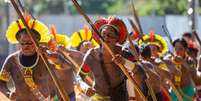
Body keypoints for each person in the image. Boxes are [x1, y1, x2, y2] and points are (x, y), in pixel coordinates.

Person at [0, 19, 56, 101]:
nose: (26, 46)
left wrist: (49, 54)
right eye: (22, 43)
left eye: (30, 43)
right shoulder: (12, 60)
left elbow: (62, 68)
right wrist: (8, 94)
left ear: (37, 42)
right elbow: (1, 82)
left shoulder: (45, 58)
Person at [81, 16, 129, 101]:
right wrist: (85, 87)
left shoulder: (124, 53)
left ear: (117, 38)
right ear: (99, 38)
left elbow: (139, 72)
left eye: (110, 35)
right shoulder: (92, 54)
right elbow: (80, 76)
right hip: (97, 98)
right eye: (103, 35)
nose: (106, 38)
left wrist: (125, 62)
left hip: (119, 98)